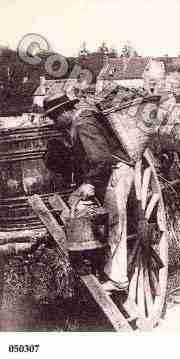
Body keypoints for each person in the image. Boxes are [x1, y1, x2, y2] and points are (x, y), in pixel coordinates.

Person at [43, 92, 134, 292]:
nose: (53, 122)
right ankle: (101, 264)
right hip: (108, 173)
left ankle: (118, 279)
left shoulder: (83, 122)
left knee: (115, 222)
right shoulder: (77, 124)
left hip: (117, 171)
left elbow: (101, 158)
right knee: (101, 218)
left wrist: (90, 183)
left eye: (54, 116)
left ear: (66, 111)